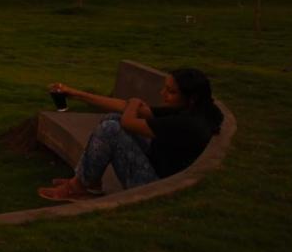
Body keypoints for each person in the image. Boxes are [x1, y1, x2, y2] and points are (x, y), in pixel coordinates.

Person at [38, 67, 223, 201]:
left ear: (191, 98)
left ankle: (78, 187)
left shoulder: (186, 123)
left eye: (171, 92)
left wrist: (134, 102)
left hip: (157, 186)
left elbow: (129, 120)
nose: (163, 93)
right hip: (161, 166)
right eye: (165, 88)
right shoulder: (195, 110)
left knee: (111, 129)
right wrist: (75, 93)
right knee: (113, 118)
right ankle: (89, 182)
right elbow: (126, 109)